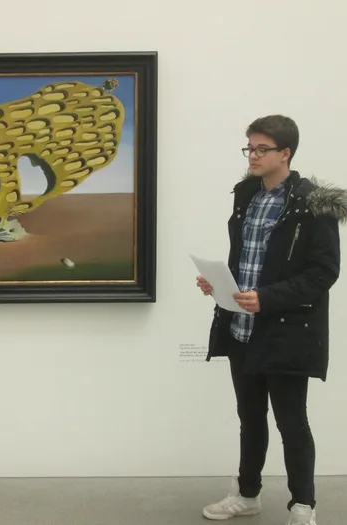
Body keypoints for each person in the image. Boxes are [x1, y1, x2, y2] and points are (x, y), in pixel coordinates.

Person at [196, 115, 345, 525]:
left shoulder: (314, 203)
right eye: (250, 147)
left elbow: (324, 273)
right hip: (241, 330)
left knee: (292, 422)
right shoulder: (247, 195)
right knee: (249, 418)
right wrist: (219, 284)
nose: (253, 156)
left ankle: (303, 506)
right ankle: (247, 494)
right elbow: (248, 258)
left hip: (287, 332)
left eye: (262, 149)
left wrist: (268, 298)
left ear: (286, 153)